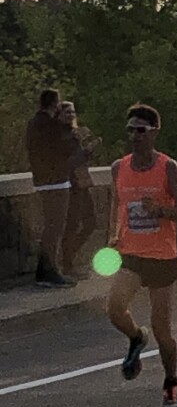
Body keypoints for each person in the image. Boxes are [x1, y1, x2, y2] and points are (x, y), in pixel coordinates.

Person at [106, 104, 177, 407]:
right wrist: (112, 239)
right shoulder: (119, 168)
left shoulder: (167, 168)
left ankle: (171, 383)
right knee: (115, 308)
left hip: (162, 258)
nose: (134, 136)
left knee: (163, 330)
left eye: (140, 130)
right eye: (130, 130)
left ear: (154, 132)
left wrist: (161, 211)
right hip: (130, 254)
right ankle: (135, 336)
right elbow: (116, 206)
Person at [26, 88, 86, 288]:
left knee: (50, 226)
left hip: (41, 179)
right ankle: (49, 271)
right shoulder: (52, 125)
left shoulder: (33, 124)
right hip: (56, 180)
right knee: (55, 226)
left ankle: (45, 270)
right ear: (54, 104)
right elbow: (64, 150)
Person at [58, 101, 100, 277]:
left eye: (72, 112)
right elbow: (66, 163)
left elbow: (81, 160)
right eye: (67, 112)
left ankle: (68, 257)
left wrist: (89, 149)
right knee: (73, 225)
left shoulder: (74, 134)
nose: (71, 115)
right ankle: (67, 264)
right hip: (72, 185)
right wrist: (86, 151)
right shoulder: (60, 136)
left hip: (82, 182)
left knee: (91, 223)